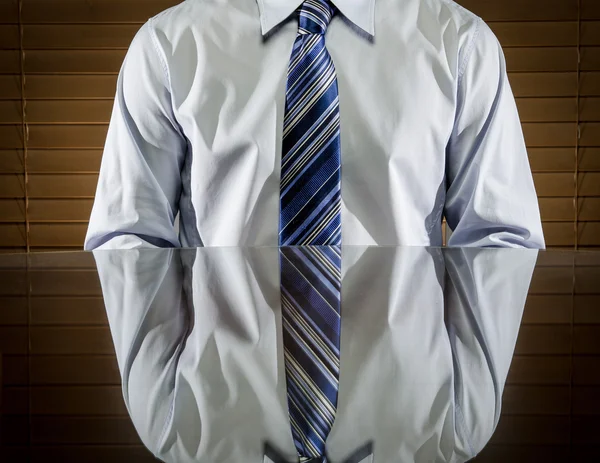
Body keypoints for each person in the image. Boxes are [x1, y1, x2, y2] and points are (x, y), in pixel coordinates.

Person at [84, 0, 545, 250]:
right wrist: (174, 415)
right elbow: (129, 241)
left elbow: (500, 241)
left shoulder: (462, 47)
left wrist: (454, 414)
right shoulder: (167, 48)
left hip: (409, 403)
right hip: (222, 399)